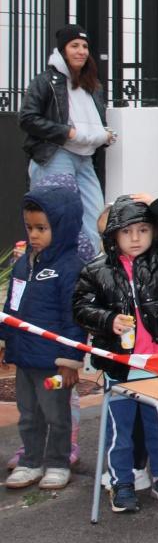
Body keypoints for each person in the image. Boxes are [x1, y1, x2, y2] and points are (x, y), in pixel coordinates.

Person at [73, 194, 158, 512]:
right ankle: (121, 482)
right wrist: (108, 319)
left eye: (143, 229)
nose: (136, 238)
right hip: (121, 366)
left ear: (154, 231)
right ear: (113, 234)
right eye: (127, 231)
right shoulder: (95, 269)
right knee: (120, 430)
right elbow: (80, 307)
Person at [1, 186, 85, 492]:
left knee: (56, 415)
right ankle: (31, 462)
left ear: (62, 228)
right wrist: (5, 339)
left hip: (53, 362)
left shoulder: (70, 268)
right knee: (28, 414)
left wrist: (69, 361)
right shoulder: (23, 263)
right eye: (30, 227)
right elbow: (12, 306)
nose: (34, 235)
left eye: (42, 228)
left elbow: (74, 317)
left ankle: (59, 463)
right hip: (24, 357)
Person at [19, 24, 111, 252]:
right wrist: (66, 132)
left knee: (94, 214)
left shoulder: (92, 85)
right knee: (57, 216)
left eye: (85, 46)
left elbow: (93, 121)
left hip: (85, 158)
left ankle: (85, 273)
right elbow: (27, 118)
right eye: (74, 46)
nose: (81, 51)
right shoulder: (45, 81)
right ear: (62, 50)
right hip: (55, 154)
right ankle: (55, 271)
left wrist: (103, 136)